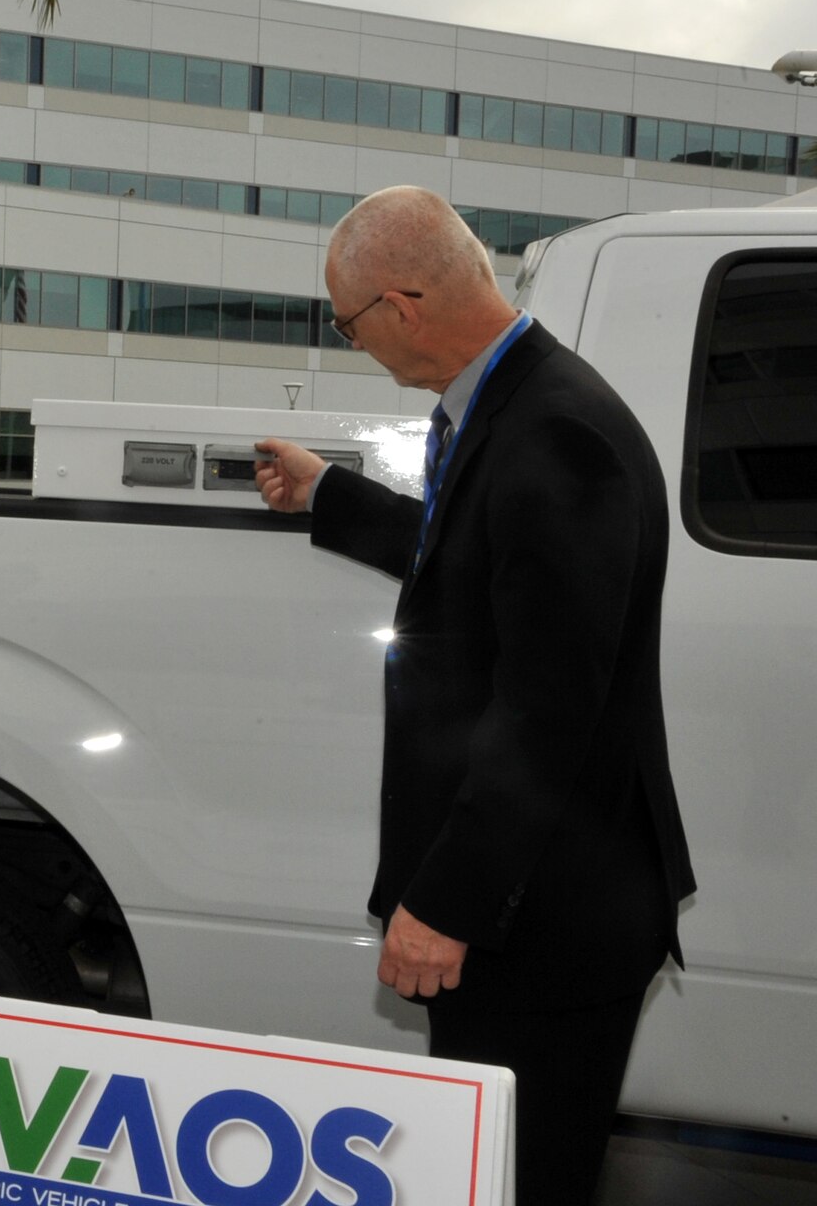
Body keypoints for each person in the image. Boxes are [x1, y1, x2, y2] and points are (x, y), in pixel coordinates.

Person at [253, 186, 695, 1206]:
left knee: (517, 1182)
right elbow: (478, 564)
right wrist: (330, 492)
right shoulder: (521, 406)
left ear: (399, 305)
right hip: (536, 909)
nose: (350, 340)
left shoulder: (554, 433)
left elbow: (545, 711)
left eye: (345, 318)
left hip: (535, 923)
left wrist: (445, 904)